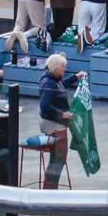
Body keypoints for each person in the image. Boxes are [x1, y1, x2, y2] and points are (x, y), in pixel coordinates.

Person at [38, 54, 79, 189]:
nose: (64, 70)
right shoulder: (49, 83)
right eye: (62, 68)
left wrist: (76, 77)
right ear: (55, 68)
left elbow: (61, 85)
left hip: (55, 122)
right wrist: (62, 114)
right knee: (58, 158)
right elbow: (44, 105)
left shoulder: (53, 79)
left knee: (59, 158)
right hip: (53, 124)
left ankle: (50, 186)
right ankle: (50, 188)